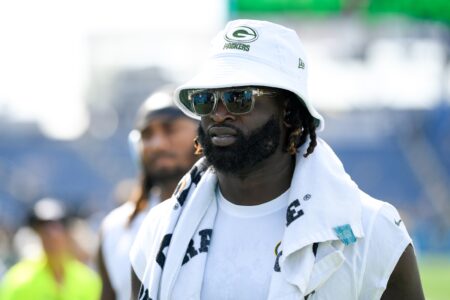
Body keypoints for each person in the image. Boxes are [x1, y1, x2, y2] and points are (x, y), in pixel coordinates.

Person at [130, 19, 424, 300]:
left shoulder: (370, 230)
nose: (219, 114)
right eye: (206, 99)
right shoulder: (160, 230)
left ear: (288, 111)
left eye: (239, 97)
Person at [97, 87, 199, 300]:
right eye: (147, 134)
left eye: (169, 129)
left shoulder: (235, 210)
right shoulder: (114, 228)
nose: (157, 144)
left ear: (201, 133)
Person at [0, 198, 101, 300]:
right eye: (45, 233)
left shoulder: (88, 280)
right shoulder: (18, 280)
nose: (52, 238)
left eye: (58, 230)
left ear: (67, 235)